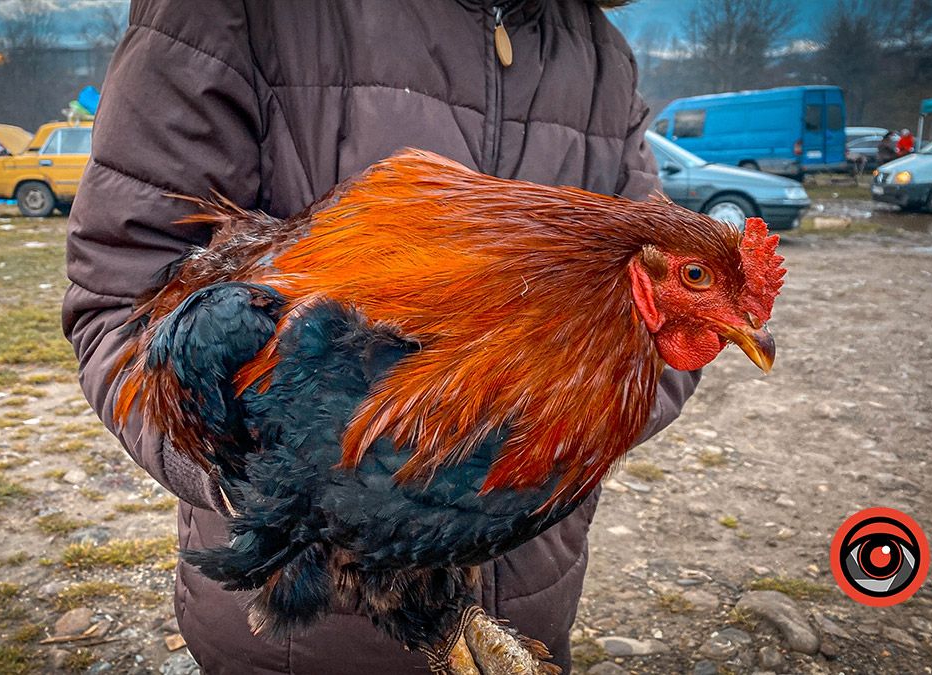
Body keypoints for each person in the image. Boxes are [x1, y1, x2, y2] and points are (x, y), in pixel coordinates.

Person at [63, 2, 701, 673]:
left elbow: (669, 304)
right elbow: (121, 292)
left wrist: (557, 438)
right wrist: (270, 487)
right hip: (300, 647)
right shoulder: (235, 11)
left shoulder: (600, 50)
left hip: (529, 604)